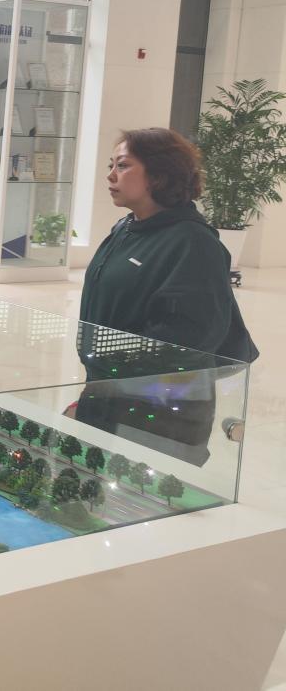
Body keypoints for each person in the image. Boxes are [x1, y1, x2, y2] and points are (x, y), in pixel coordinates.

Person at [75, 127, 257, 466]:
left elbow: (193, 335)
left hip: (160, 411)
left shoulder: (194, 242)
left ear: (159, 175)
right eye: (111, 165)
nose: (111, 175)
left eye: (123, 165)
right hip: (109, 391)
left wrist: (115, 365)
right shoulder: (125, 229)